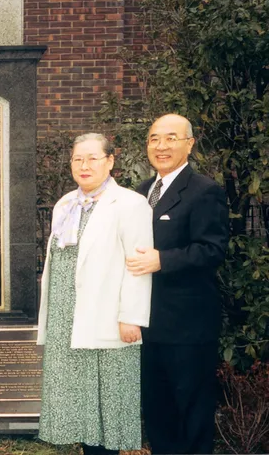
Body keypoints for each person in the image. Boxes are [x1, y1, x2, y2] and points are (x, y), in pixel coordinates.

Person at [37, 133, 153, 454]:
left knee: (107, 407)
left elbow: (138, 263)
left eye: (93, 158)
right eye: (78, 159)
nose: (84, 166)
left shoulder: (130, 204)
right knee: (79, 408)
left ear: (110, 162)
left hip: (107, 319)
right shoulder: (65, 203)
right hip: (66, 322)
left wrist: (131, 316)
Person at [126, 114, 229, 454]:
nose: (161, 146)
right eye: (154, 138)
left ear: (189, 143)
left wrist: (163, 260)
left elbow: (212, 250)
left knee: (193, 416)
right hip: (147, 326)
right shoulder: (139, 193)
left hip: (188, 328)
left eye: (171, 138)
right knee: (158, 415)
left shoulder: (205, 190)